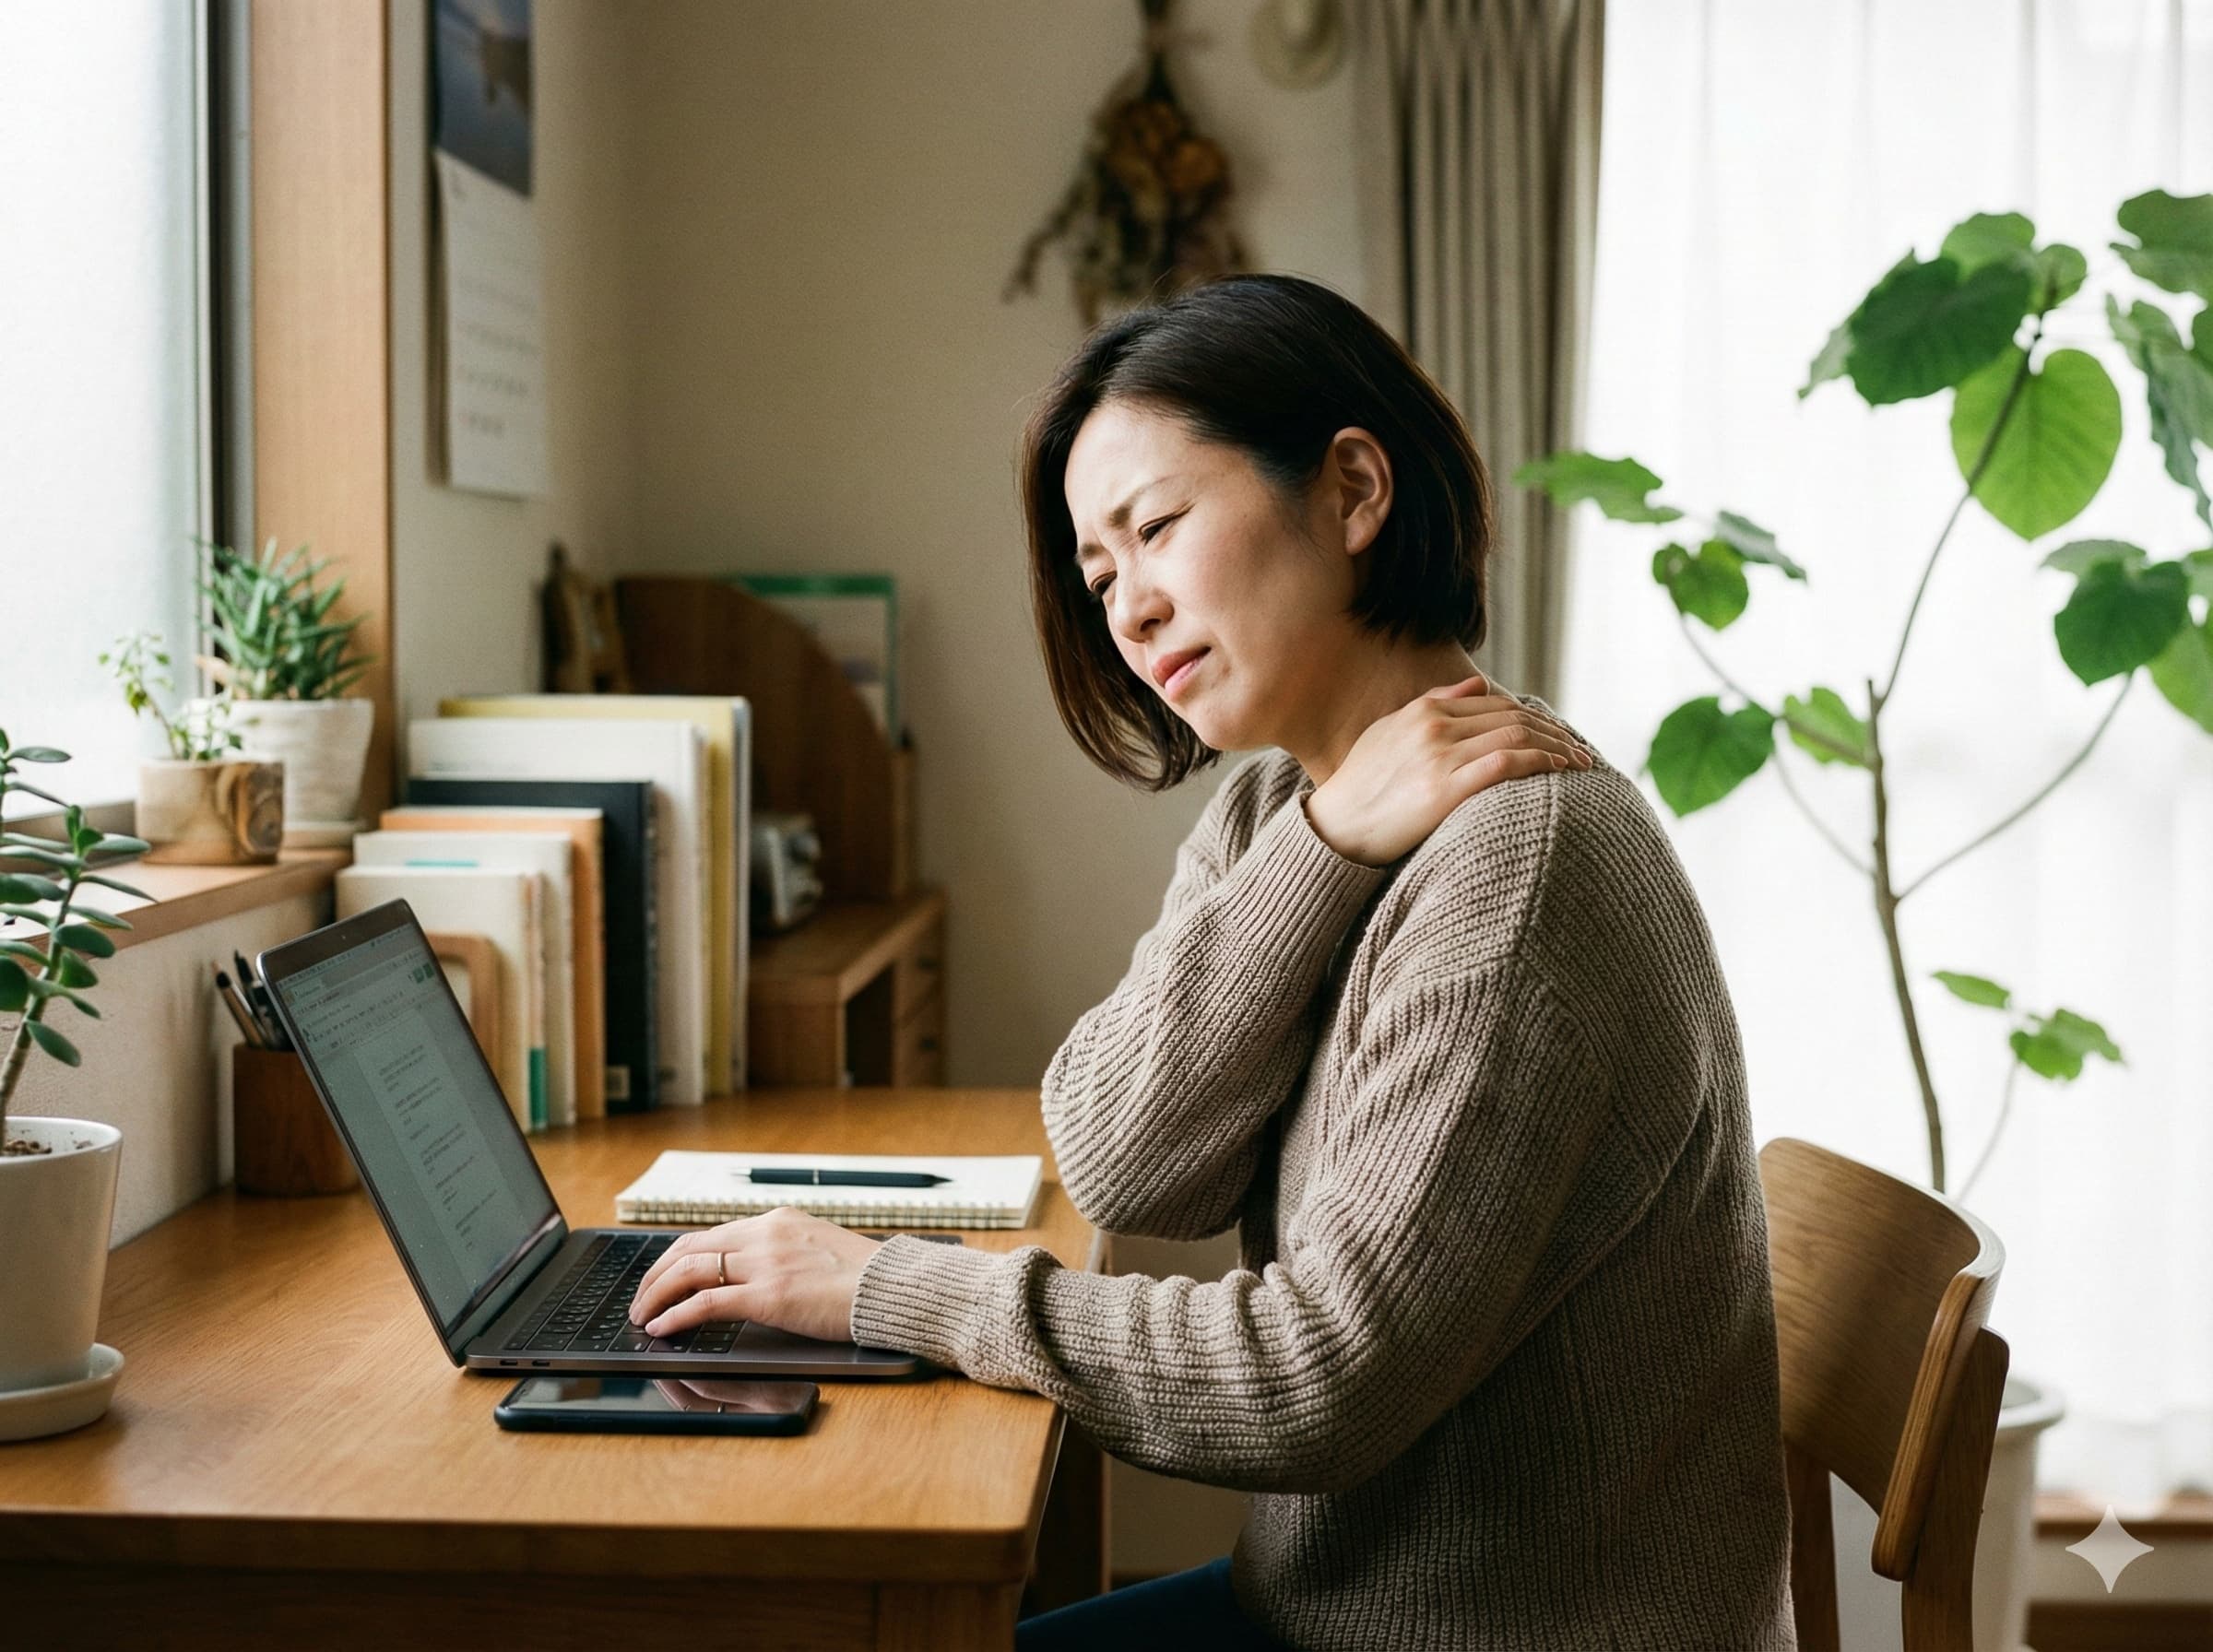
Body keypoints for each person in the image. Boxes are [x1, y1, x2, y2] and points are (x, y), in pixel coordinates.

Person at [628, 274, 1798, 1650]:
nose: (1125, 611)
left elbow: (1317, 1381)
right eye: (1099, 573)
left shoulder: (1522, 868)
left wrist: (887, 1287)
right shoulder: (1279, 808)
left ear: (1353, 492)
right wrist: (1325, 847)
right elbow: (1127, 1156)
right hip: (1321, 1617)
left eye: (1158, 528)